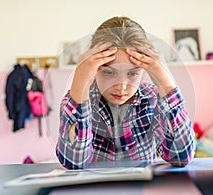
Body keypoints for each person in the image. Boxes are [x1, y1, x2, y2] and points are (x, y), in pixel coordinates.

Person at [56, 16, 195, 169]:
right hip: (95, 191)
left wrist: (166, 83)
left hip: (142, 189)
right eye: (109, 73)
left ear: (144, 70)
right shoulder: (77, 99)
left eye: (132, 74)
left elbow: (181, 156)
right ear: (94, 69)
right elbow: (74, 162)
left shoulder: (152, 99)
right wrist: (79, 82)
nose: (121, 86)